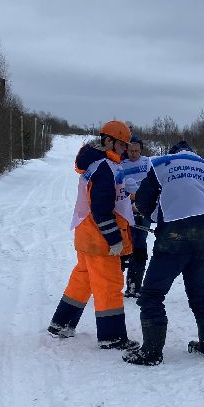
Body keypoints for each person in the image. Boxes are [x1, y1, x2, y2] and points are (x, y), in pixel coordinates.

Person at [123, 140, 204, 366]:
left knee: (151, 295)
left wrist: (149, 210)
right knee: (200, 294)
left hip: (174, 235)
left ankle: (151, 352)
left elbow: (143, 202)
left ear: (173, 153)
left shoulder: (162, 165)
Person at [47, 120, 139, 353]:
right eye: (121, 144)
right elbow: (101, 209)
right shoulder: (105, 168)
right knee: (109, 285)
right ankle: (112, 337)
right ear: (108, 141)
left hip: (87, 236)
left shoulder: (101, 164)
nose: (124, 149)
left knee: (82, 280)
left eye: (126, 145)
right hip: (101, 241)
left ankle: (62, 323)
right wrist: (115, 239)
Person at [117, 135, 152, 297]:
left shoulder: (147, 163)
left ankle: (135, 286)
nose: (134, 153)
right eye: (131, 150)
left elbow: (154, 185)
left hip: (143, 210)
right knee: (124, 245)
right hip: (125, 210)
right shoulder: (120, 164)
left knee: (140, 245)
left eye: (137, 150)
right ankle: (114, 284)